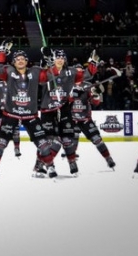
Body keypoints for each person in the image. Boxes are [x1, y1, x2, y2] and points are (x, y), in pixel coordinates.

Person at [35, 48, 98, 178]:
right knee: (47, 139)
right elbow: (40, 79)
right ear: (53, 59)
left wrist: (93, 63)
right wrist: (45, 60)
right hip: (48, 108)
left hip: (64, 108)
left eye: (62, 58)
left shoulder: (71, 72)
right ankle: (40, 165)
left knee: (67, 137)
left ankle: (72, 163)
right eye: (57, 57)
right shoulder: (48, 71)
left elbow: (88, 74)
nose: (60, 60)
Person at [0, 44, 45, 181]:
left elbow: (48, 75)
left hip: (28, 112)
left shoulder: (33, 73)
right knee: (1, 141)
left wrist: (49, 60)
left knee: (41, 141)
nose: (20, 60)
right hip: (9, 112)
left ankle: (40, 164)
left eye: (23, 58)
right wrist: (2, 52)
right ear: (13, 62)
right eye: (17, 58)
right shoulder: (6, 74)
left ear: (27, 61)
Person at [68, 81, 116, 172]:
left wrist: (96, 94)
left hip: (86, 119)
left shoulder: (89, 85)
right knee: (72, 139)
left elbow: (96, 103)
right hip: (72, 119)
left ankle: (108, 158)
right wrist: (72, 94)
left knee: (97, 139)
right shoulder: (69, 84)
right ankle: (72, 163)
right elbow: (63, 102)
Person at [0, 79, 21, 158]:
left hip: (13, 111)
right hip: (1, 111)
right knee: (1, 130)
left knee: (16, 130)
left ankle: (17, 148)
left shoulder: (16, 83)